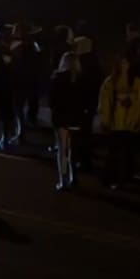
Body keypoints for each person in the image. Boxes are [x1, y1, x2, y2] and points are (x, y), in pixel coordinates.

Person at [98, 54, 140, 189]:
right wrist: (105, 121)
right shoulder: (110, 82)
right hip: (116, 125)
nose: (123, 65)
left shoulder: (138, 83)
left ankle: (124, 180)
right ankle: (111, 179)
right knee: (114, 154)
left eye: (125, 62)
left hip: (131, 125)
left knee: (128, 154)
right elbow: (105, 103)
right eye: (120, 63)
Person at [48, 53, 92, 191]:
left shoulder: (57, 78)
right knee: (74, 149)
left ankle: (63, 180)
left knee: (62, 150)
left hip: (61, 118)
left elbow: (51, 101)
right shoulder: (82, 79)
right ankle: (74, 177)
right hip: (76, 118)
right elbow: (87, 100)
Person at [75, 36, 105, 173]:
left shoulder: (84, 64)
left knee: (82, 133)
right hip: (89, 104)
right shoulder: (95, 63)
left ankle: (84, 160)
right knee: (85, 131)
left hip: (83, 103)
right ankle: (84, 158)